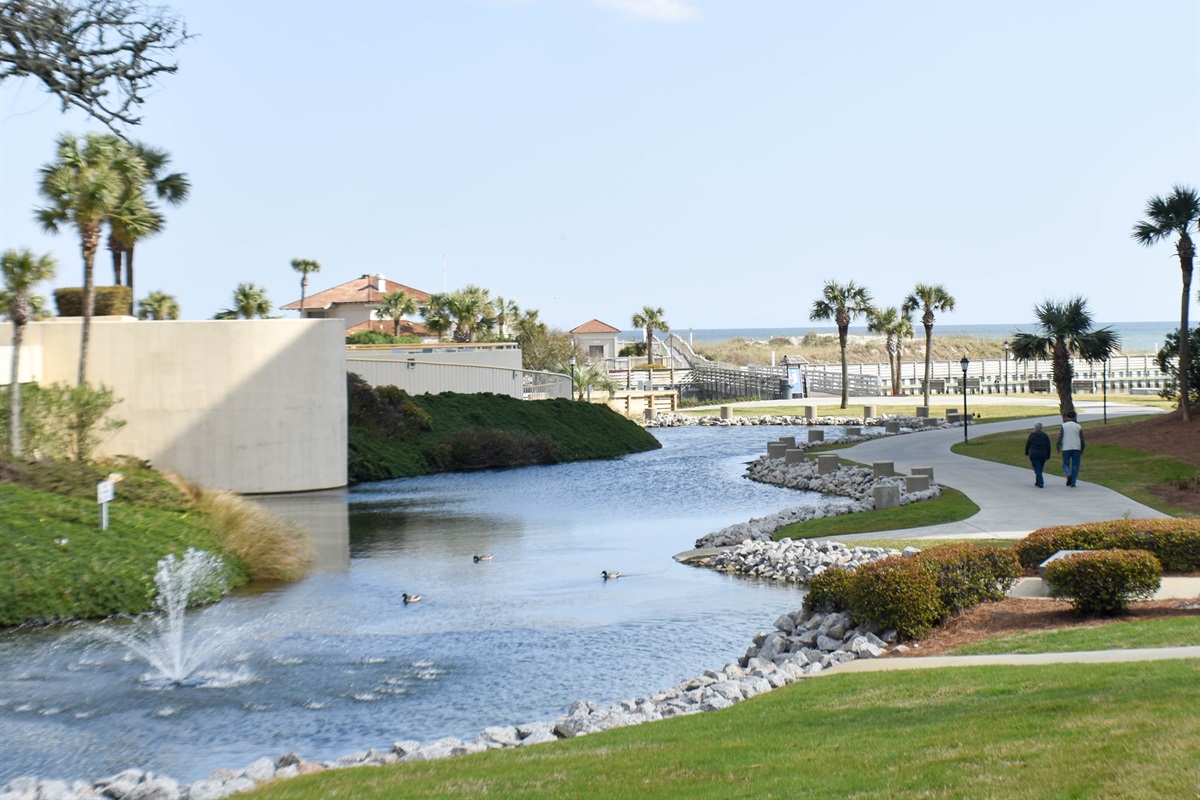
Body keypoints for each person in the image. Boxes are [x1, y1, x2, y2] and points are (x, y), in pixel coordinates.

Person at [1057, 411, 1085, 487]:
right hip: (1076, 447)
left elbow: (1060, 437)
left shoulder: (1063, 426)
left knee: (1065, 463)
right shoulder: (1078, 426)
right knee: (1075, 465)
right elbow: (1082, 438)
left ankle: (1068, 474)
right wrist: (1082, 448)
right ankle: (1073, 482)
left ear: (1067, 417)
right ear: (1074, 417)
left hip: (1066, 447)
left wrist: (1058, 446)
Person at [1024, 422, 1051, 488]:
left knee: (1037, 467)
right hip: (1043, 453)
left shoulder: (1032, 435)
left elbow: (1028, 444)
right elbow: (1048, 446)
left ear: (1035, 428)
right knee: (1040, 467)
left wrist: (1026, 452)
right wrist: (1048, 455)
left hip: (1034, 453)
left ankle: (1040, 482)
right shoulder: (1045, 435)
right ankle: (1038, 481)